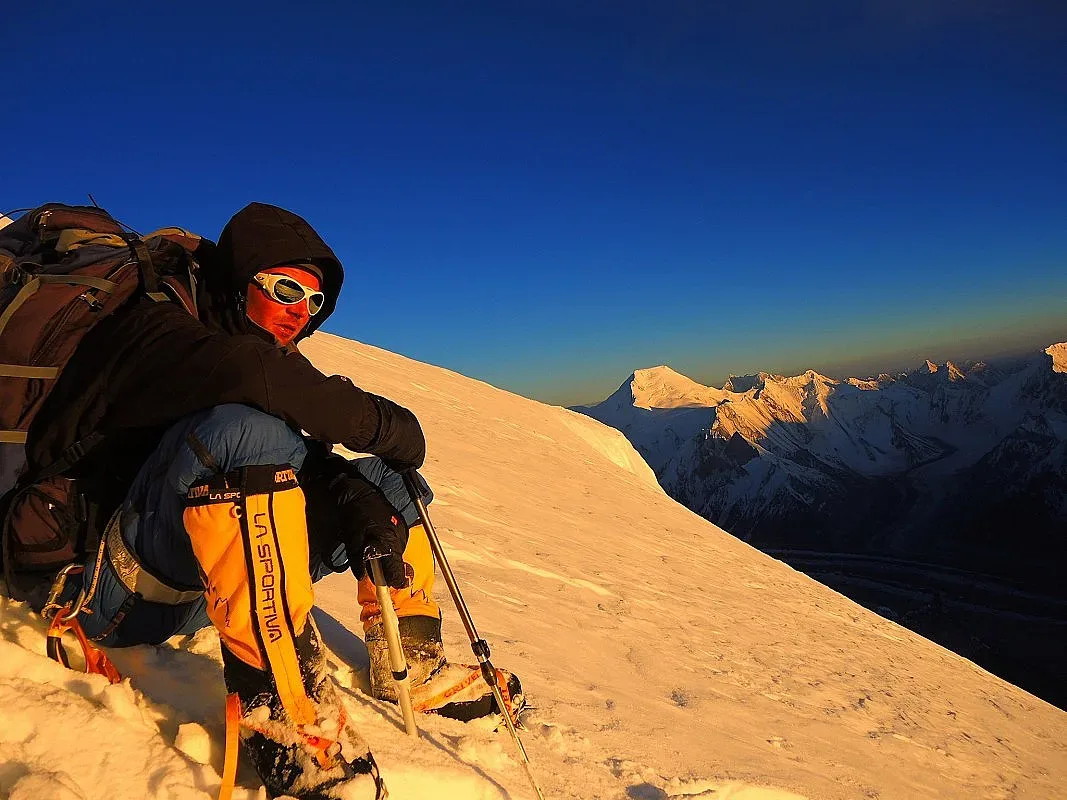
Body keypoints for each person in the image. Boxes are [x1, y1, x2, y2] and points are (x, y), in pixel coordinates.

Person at [15, 203, 513, 799]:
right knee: (248, 433)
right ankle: (281, 713)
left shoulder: (242, 344)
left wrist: (351, 491)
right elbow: (251, 383)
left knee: (387, 479)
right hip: (101, 590)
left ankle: (412, 661)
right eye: (284, 290)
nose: (300, 312)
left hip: (199, 582)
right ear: (238, 279)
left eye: (314, 302)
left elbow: (292, 435)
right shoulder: (156, 328)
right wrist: (380, 421)